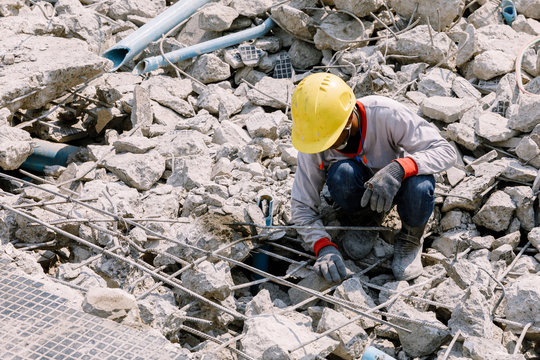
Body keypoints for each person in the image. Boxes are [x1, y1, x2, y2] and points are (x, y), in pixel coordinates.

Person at [290, 72, 457, 283]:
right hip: (358, 189)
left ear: (350, 118)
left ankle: (411, 237)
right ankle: (366, 217)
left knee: (421, 186)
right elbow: (301, 205)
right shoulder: (315, 139)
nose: (327, 146)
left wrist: (400, 167)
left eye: (332, 138)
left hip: (399, 186)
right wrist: (322, 246)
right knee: (342, 176)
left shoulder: (385, 114)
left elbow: (445, 151)